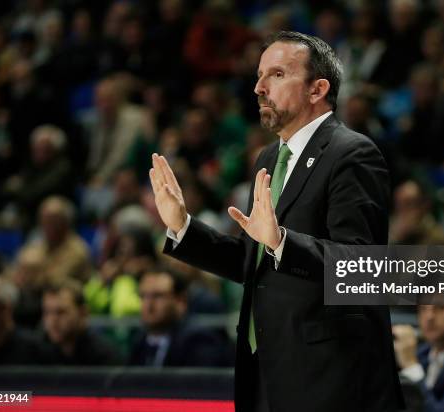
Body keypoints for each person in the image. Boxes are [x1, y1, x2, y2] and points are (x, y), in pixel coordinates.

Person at [149, 31, 403, 412]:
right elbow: (256, 264)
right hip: (267, 369)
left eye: (277, 75)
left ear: (317, 89)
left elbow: (362, 266)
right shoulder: (268, 159)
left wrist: (282, 241)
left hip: (330, 380)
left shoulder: (352, 154)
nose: (258, 87)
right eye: (259, 74)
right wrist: (184, 226)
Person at [129, 269, 232, 367]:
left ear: (180, 301)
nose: (148, 305)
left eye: (158, 296)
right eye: (143, 296)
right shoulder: (140, 341)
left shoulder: (198, 341)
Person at [393, 302, 444, 412]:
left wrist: (411, 367)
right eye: (423, 309)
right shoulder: (421, 352)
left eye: (440, 308)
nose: (429, 317)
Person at [42, 278, 123, 365]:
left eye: (61, 312)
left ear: (83, 313)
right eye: (47, 312)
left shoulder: (105, 356)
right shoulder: (38, 353)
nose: (52, 320)